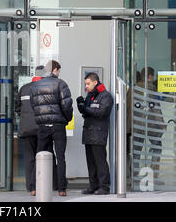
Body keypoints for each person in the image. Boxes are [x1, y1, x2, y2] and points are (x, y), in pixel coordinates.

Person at [30, 60, 73, 197]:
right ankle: (61, 189)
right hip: (58, 125)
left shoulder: (35, 86)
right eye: (58, 70)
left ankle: (35, 187)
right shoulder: (61, 84)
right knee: (60, 157)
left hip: (42, 126)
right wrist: (66, 119)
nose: (59, 73)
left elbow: (33, 105)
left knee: (40, 155)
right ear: (55, 69)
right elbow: (66, 105)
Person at [15, 65, 58, 196]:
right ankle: (52, 184)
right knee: (47, 155)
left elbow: (17, 108)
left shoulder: (24, 88)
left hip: (27, 128)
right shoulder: (47, 87)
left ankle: (30, 186)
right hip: (42, 126)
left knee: (29, 157)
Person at [77, 72, 113, 195]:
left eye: (88, 83)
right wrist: (81, 106)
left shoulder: (106, 96)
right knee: (91, 162)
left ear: (95, 82)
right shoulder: (90, 96)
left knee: (100, 161)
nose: (86, 86)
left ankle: (104, 186)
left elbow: (102, 113)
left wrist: (86, 109)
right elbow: (87, 113)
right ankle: (93, 185)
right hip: (88, 133)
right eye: (85, 84)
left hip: (98, 133)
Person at [133, 67, 166, 181]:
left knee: (137, 149)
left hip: (136, 124)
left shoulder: (133, 88)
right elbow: (155, 108)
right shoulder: (151, 88)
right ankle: (153, 173)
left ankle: (135, 174)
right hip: (150, 124)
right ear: (150, 76)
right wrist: (162, 124)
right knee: (157, 147)